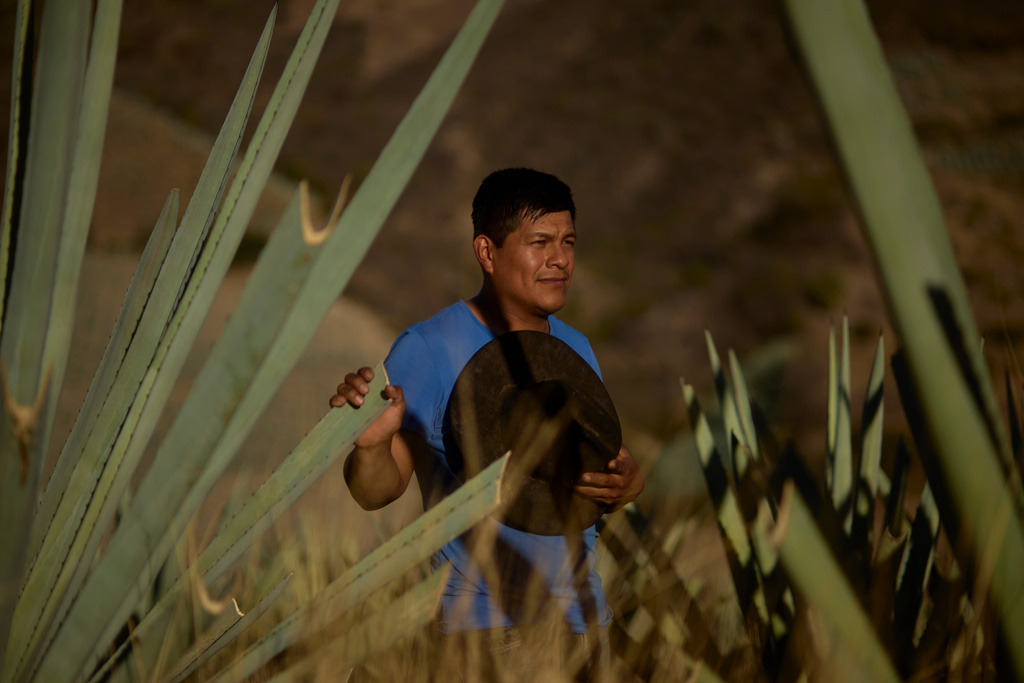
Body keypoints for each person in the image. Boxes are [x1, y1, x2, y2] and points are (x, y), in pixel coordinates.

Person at [330, 168, 644, 679]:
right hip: (487, 632)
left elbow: (596, 477)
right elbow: (376, 492)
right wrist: (370, 447)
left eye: (568, 242)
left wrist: (629, 483)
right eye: (539, 242)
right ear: (486, 252)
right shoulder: (429, 349)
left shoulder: (577, 348)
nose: (560, 259)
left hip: (584, 625)